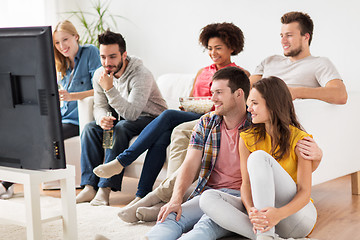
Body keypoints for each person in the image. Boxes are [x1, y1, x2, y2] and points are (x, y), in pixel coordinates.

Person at [92, 22, 249, 207]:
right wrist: (188, 105)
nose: (213, 53)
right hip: (193, 115)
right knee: (162, 137)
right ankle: (142, 196)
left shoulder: (239, 75)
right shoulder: (202, 72)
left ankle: (122, 160)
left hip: (214, 119)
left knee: (167, 116)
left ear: (232, 47)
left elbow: (238, 107)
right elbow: (192, 98)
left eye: (218, 48)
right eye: (210, 48)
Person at [200, 76, 318, 240]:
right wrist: (251, 211)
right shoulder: (247, 138)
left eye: (255, 103)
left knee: (259, 158)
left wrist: (277, 214)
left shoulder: (301, 140)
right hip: (267, 219)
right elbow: (246, 185)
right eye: (249, 104)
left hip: (297, 217)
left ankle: (265, 235)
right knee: (208, 198)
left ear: (273, 105)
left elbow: (305, 193)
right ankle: (268, 237)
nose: (249, 109)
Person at [144, 67, 252, 239]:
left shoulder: (257, 124)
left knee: (205, 226)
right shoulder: (206, 122)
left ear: (238, 94)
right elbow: (190, 163)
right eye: (212, 92)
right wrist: (176, 199)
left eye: (219, 92)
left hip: (239, 199)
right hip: (207, 194)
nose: (213, 98)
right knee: (171, 216)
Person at [0, 20, 102, 199]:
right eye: (57, 42)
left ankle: (6, 184)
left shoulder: (90, 53)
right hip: (61, 117)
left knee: (43, 137)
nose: (62, 46)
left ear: (76, 37)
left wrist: (73, 96)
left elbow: (101, 88)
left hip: (80, 120)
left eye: (65, 40)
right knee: (28, 133)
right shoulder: (61, 65)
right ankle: (9, 182)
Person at [75, 30, 167, 206]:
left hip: (152, 119)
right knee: (90, 129)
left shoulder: (141, 74)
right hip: (123, 118)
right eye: (103, 57)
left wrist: (110, 89)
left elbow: (132, 114)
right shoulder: (99, 74)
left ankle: (105, 189)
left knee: (121, 127)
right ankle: (89, 186)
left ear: (124, 55)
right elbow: (100, 106)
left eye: (112, 57)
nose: (107, 63)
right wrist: (102, 118)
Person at [250, 11, 347, 105]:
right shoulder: (269, 61)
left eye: (289, 35)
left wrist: (294, 92)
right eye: (282, 36)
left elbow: (340, 94)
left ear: (306, 37)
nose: (283, 41)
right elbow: (243, 89)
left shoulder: (320, 63)